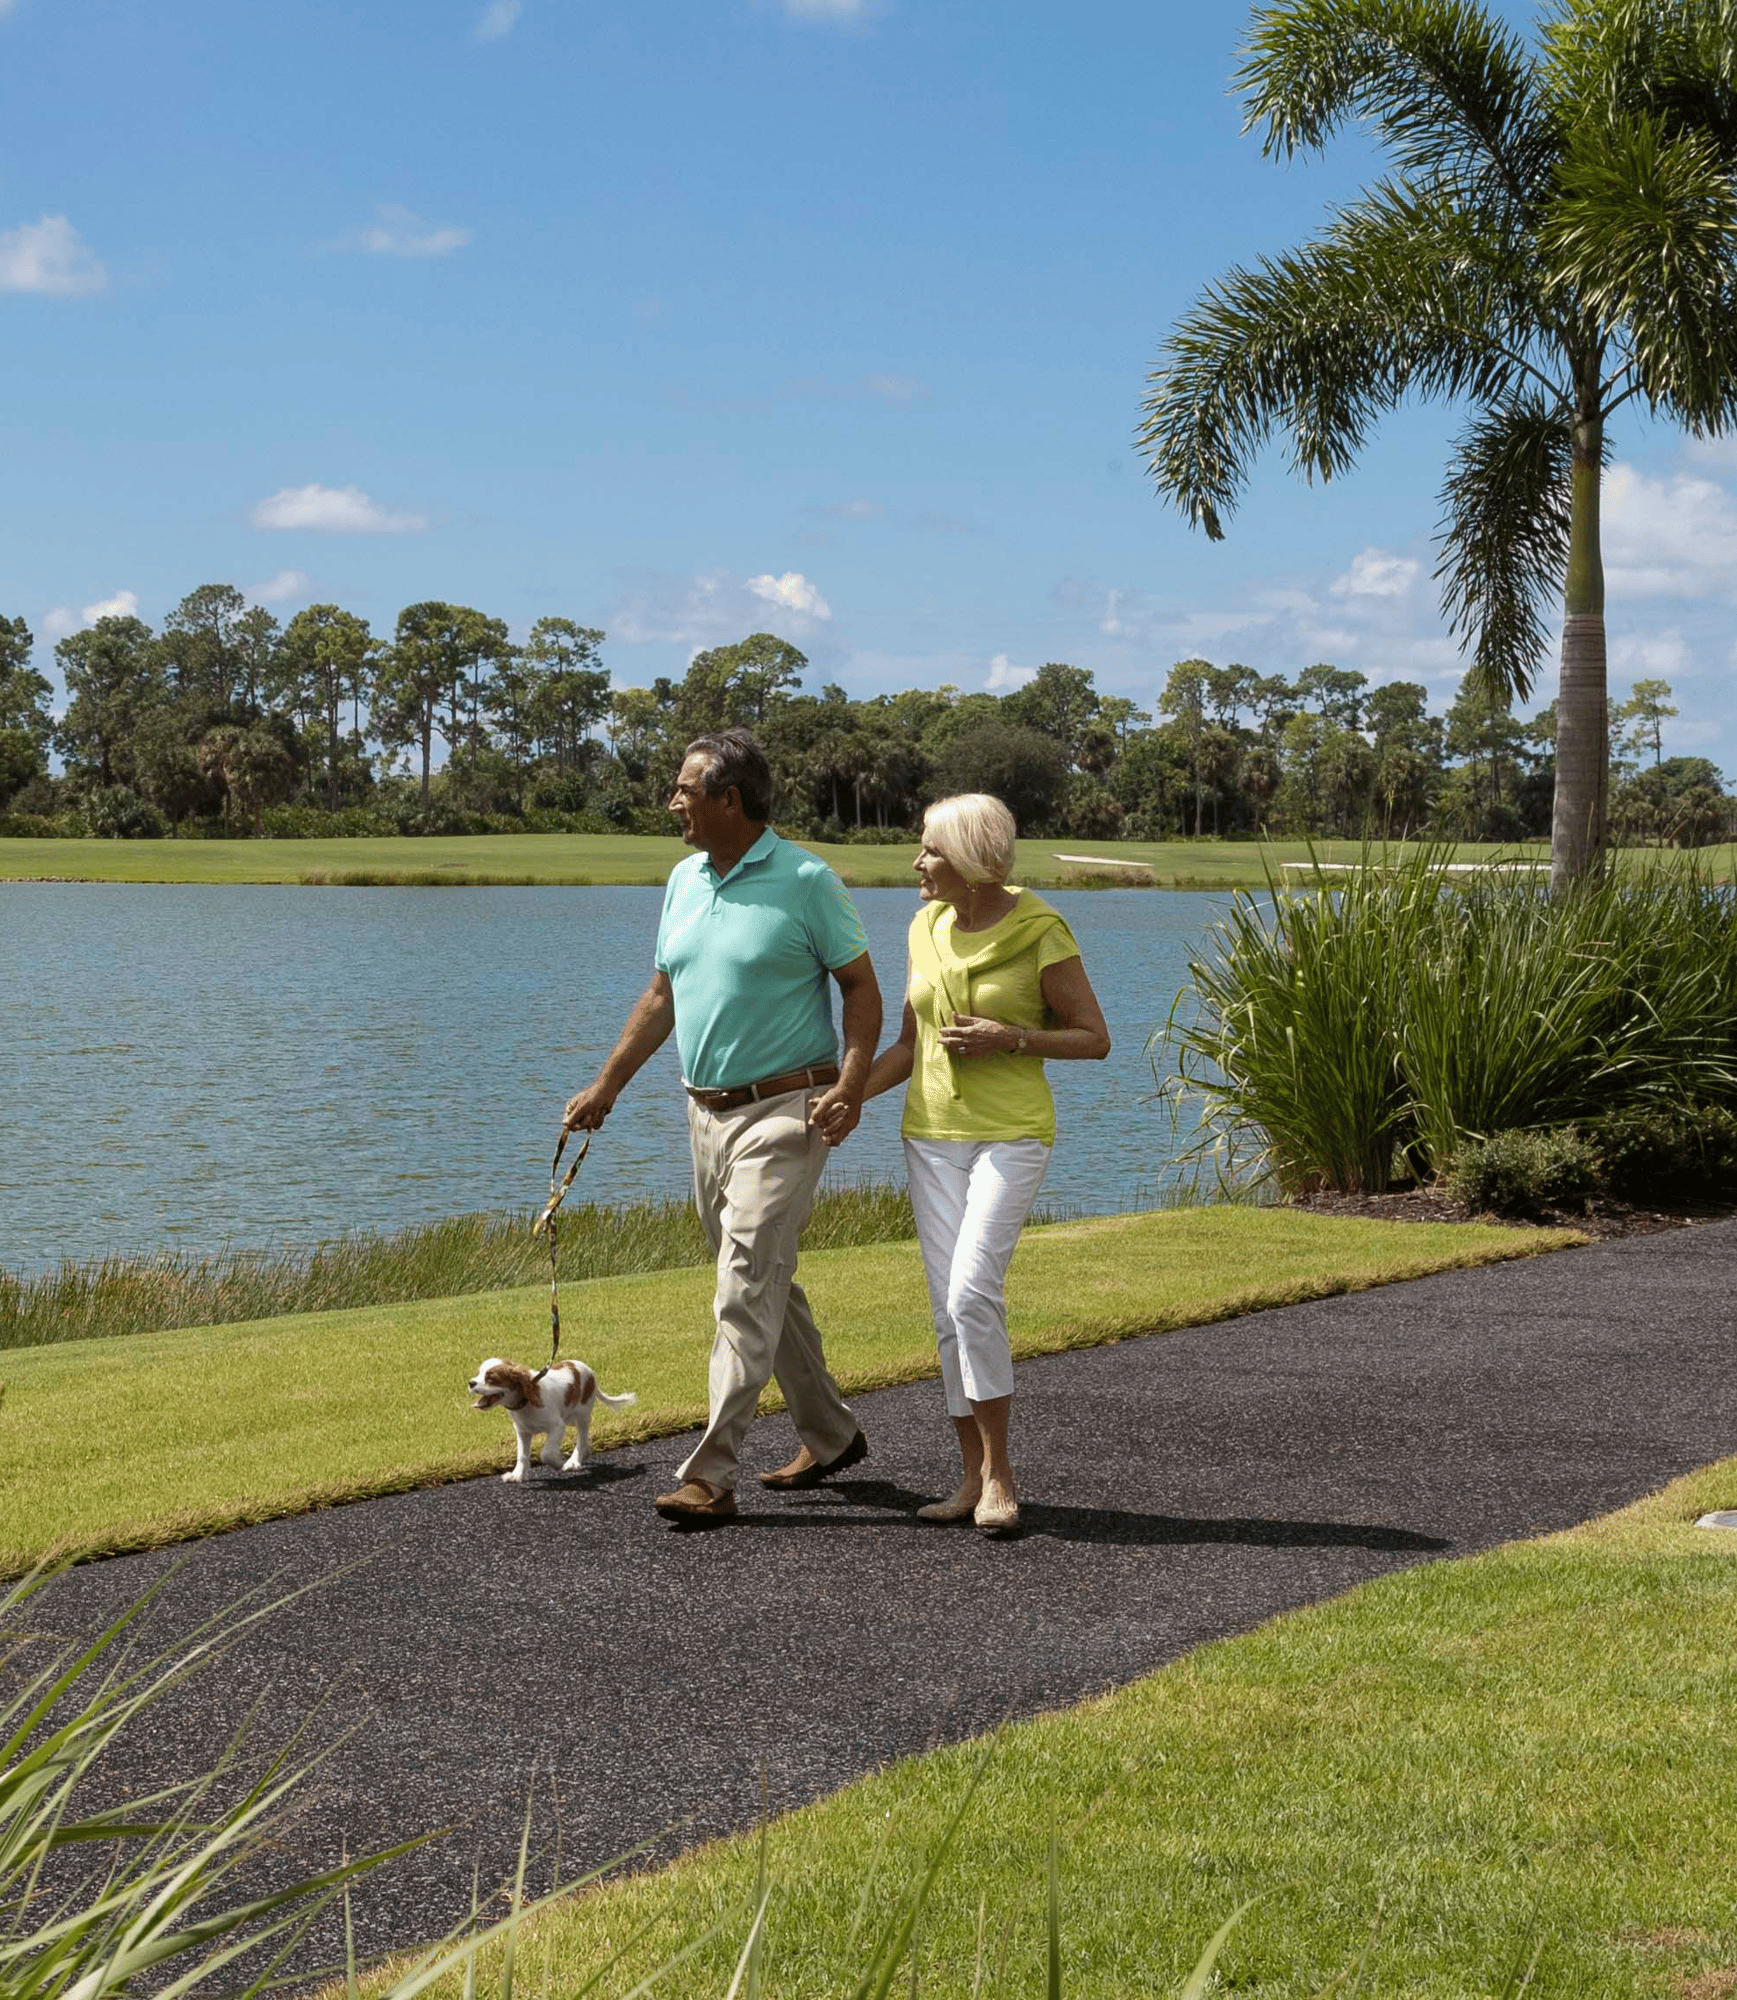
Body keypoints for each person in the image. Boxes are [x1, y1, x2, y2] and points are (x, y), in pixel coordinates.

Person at [562, 728, 882, 1526]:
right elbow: (664, 993)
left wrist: (852, 1082)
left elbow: (862, 988)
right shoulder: (683, 878)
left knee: (741, 1285)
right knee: (762, 1278)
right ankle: (833, 1436)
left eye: (682, 790)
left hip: (787, 1109)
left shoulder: (806, 879)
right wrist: (607, 1085)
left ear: (727, 798)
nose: (672, 802)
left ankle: (710, 1474)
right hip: (704, 1113)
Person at [862, 793, 1110, 1539]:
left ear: (970, 858)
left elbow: (1093, 1038)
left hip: (1010, 1135)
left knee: (972, 1291)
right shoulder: (923, 926)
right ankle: (968, 1475)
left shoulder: (1040, 928)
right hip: (931, 1135)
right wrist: (845, 1101)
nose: (917, 863)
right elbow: (909, 1046)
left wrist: (1011, 1038)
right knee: (947, 1311)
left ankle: (1001, 1472)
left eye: (929, 851)